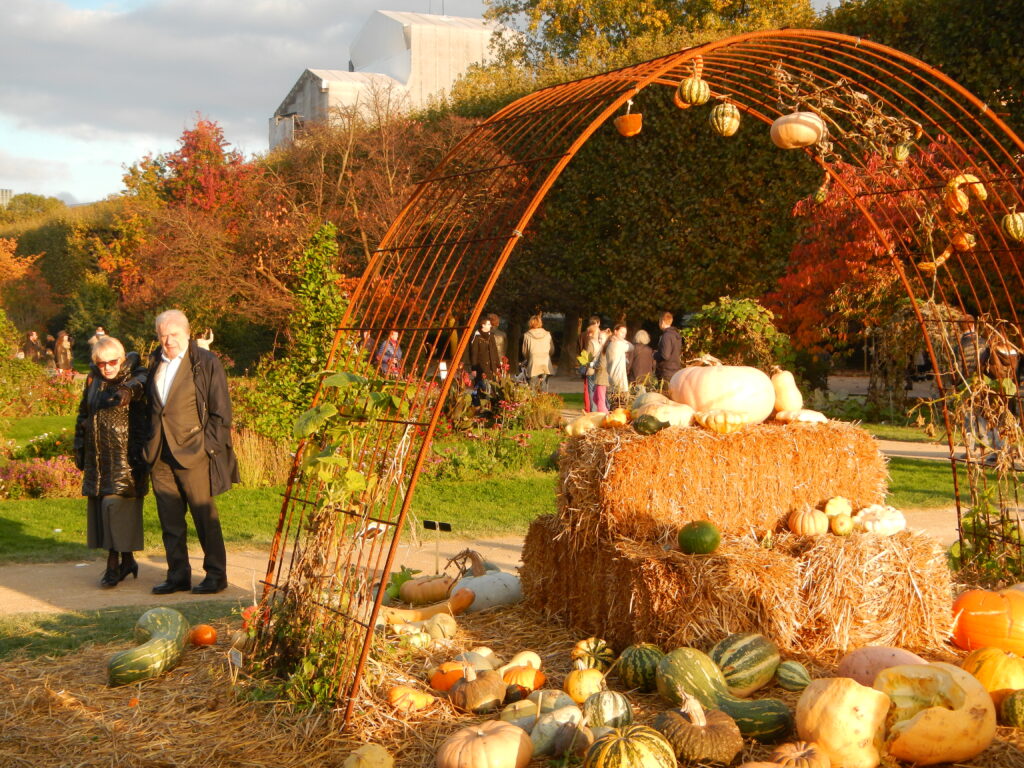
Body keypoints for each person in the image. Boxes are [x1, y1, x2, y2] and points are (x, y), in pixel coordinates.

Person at [145, 309, 239, 595]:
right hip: (159, 453)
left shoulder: (205, 362)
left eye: (173, 334)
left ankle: (216, 575)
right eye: (163, 336)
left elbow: (221, 412)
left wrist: (206, 447)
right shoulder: (153, 364)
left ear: (187, 333)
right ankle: (177, 575)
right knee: (170, 520)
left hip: (194, 452)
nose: (168, 341)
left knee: (204, 516)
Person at [74, 336, 149, 588]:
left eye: (112, 361)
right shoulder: (94, 380)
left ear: (122, 358)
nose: (107, 367)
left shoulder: (134, 377)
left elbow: (140, 383)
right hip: (98, 459)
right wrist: (79, 449)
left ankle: (113, 564)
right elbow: (83, 414)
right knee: (104, 513)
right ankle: (127, 562)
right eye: (101, 362)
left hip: (125, 459)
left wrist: (127, 391)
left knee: (115, 510)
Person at [469, 316, 500, 406]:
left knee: (492, 387)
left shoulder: (491, 336)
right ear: (483, 325)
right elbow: (474, 353)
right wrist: (474, 368)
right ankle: (479, 405)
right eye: (488, 324)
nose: (490, 326)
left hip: (491, 366)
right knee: (482, 387)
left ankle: (490, 405)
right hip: (481, 366)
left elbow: (495, 351)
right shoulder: (477, 336)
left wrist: (498, 365)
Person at [521, 314, 554, 392]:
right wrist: (547, 355)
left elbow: (524, 351)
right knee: (544, 385)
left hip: (533, 362)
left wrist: (528, 359)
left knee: (532, 386)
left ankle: (533, 402)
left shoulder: (527, 335)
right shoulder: (547, 334)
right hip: (545, 362)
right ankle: (544, 401)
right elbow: (552, 349)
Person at [605, 323, 631, 407]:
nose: (624, 335)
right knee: (619, 403)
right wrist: (622, 340)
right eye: (622, 332)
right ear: (615, 331)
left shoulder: (610, 342)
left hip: (611, 375)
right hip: (618, 377)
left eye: (625, 333)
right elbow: (631, 347)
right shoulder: (618, 343)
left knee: (614, 402)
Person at [654, 312, 682, 386]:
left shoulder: (666, 336)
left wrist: (655, 354)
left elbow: (665, 355)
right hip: (676, 369)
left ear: (662, 322)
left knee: (664, 396)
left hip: (666, 372)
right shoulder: (676, 335)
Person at [590, 328, 612, 413]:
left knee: (600, 400)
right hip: (601, 378)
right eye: (598, 338)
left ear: (607, 339)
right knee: (596, 398)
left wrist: (593, 365)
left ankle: (604, 415)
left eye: (601, 338)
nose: (599, 340)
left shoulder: (604, 350)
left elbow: (601, 365)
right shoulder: (603, 349)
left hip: (602, 378)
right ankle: (605, 412)